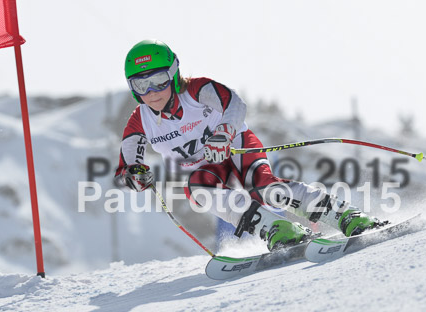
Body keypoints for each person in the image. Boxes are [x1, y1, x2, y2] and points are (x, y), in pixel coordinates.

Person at [114, 39, 385, 251]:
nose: (151, 92)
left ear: (173, 74)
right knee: (197, 189)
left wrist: (223, 133)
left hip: (236, 148)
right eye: (141, 84)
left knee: (263, 186)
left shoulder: (197, 90)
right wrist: (133, 175)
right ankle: (278, 229)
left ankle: (345, 216)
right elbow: (128, 161)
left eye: (158, 80)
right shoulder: (140, 120)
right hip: (207, 167)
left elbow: (234, 104)